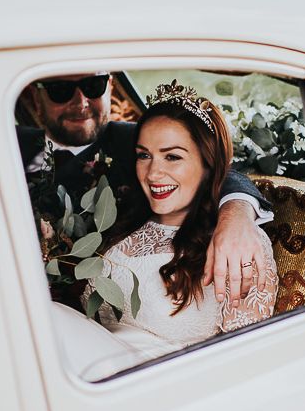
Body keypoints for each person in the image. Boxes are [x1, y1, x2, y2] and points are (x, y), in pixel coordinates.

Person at [17, 72, 273, 306]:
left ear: (110, 87)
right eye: (60, 90)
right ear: (36, 98)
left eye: (92, 86)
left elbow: (216, 171)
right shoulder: (4, 142)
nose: (80, 102)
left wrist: (236, 213)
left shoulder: (136, 141)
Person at [82, 81, 278, 358]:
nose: (152, 173)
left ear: (208, 164)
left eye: (172, 157)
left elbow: (241, 360)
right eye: (144, 155)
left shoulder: (238, 241)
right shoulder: (125, 223)